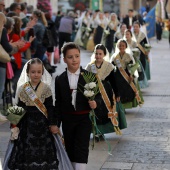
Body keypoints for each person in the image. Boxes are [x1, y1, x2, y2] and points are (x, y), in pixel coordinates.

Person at [3, 58, 73, 170]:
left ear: (42, 72)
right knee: (26, 152)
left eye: (39, 72)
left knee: (44, 154)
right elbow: (19, 107)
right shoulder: (22, 88)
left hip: (43, 125)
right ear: (28, 72)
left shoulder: (46, 88)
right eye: (33, 72)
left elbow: (50, 107)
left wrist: (53, 123)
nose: (36, 75)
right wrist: (14, 125)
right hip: (26, 125)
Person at [54, 42, 101, 170]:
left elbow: (99, 97)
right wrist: (56, 124)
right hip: (67, 120)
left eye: (77, 56)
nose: (74, 60)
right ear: (64, 59)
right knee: (70, 148)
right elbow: (58, 103)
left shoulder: (89, 76)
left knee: (81, 148)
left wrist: (95, 103)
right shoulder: (60, 79)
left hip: (84, 119)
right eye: (70, 57)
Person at [85, 44, 127, 138]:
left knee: (104, 112)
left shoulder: (109, 66)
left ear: (104, 54)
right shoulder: (90, 66)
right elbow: (86, 80)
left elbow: (113, 81)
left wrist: (117, 93)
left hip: (106, 93)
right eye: (96, 53)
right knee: (95, 112)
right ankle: (96, 131)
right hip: (94, 92)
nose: (98, 56)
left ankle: (102, 132)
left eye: (100, 54)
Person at [110, 39, 144, 109]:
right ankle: (119, 106)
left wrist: (131, 74)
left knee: (127, 91)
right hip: (117, 75)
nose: (121, 47)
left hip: (126, 75)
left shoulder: (129, 56)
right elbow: (111, 66)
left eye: (123, 46)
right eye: (120, 46)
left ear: (125, 46)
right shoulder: (114, 56)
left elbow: (132, 66)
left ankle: (125, 106)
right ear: (117, 46)